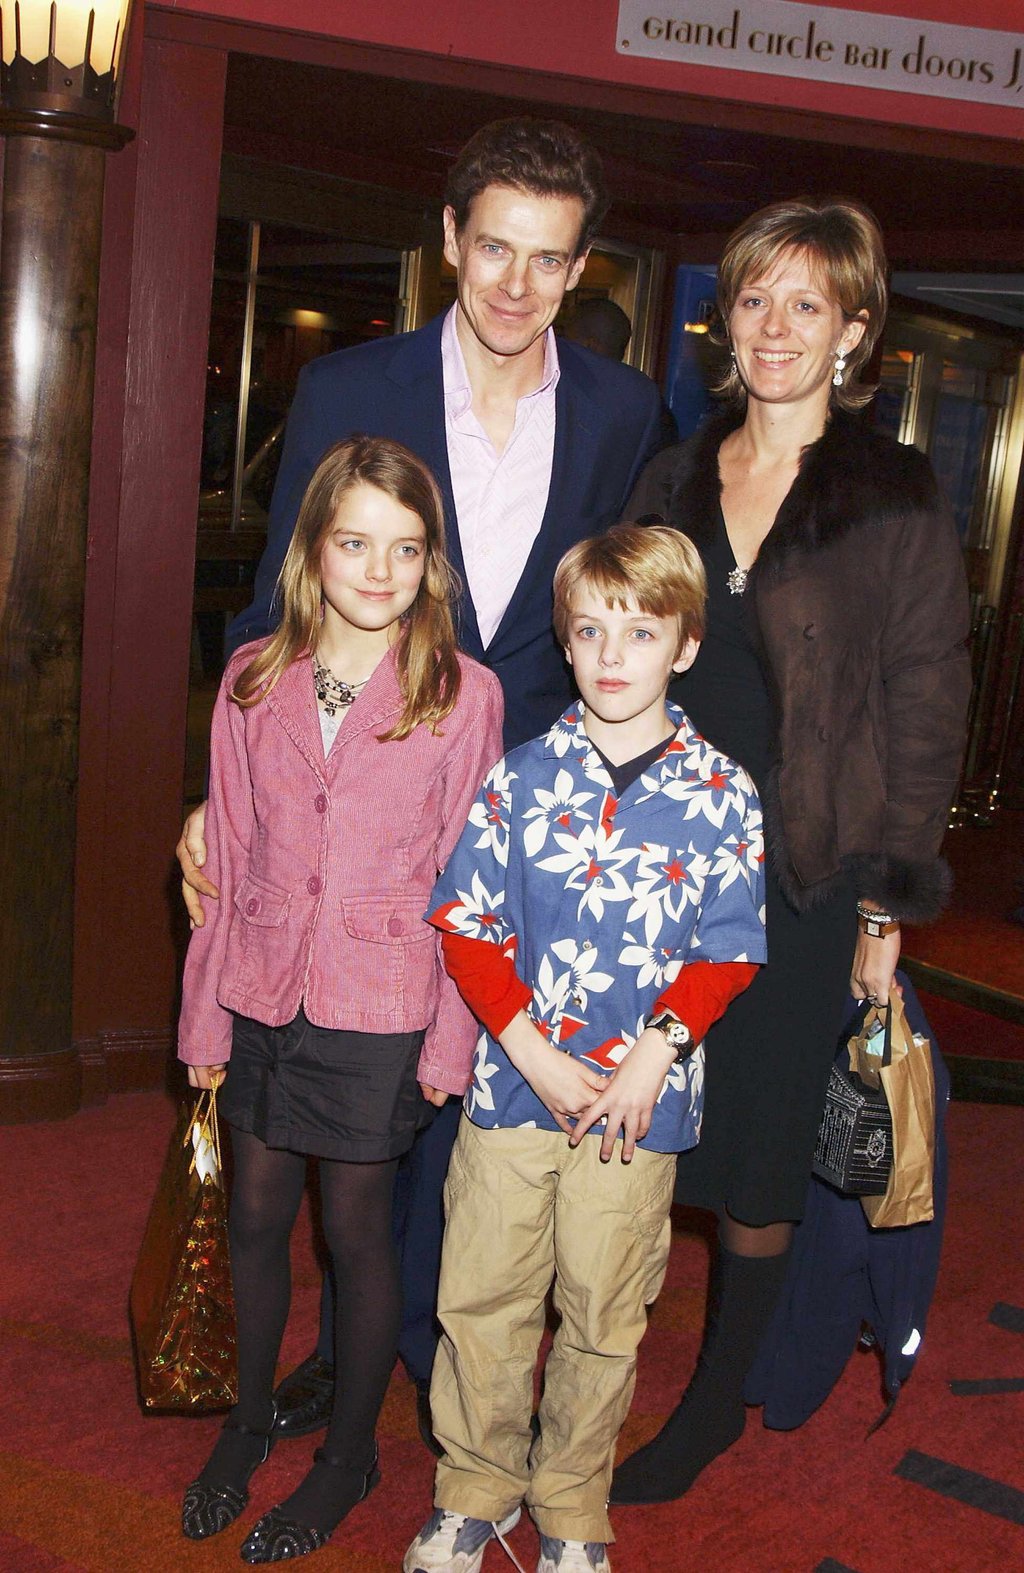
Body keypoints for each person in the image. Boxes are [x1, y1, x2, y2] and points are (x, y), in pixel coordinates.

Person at [176, 117, 665, 1446]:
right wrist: (225, 791)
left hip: (532, 829)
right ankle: (347, 1358)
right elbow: (278, 607)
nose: (516, 282)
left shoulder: (625, 415)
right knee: (349, 1103)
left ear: (579, 271)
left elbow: (626, 623)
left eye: (547, 258)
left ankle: (419, 1354)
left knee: (469, 1110)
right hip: (360, 814)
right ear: (451, 243)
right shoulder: (350, 389)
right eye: (494, 247)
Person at [608, 197, 972, 1508]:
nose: (773, 326)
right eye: (753, 298)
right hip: (657, 854)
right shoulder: (672, 471)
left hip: (803, 873)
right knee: (636, 1116)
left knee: (759, 1146)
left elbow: (928, 701)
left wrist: (890, 903)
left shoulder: (898, 492)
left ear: (855, 329)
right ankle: (608, 1349)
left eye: (806, 304)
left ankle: (714, 1400)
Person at [403, 524, 766, 1573]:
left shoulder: (721, 793)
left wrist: (653, 1053)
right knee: (482, 1293)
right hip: (513, 1090)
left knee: (605, 1307)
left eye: (640, 631)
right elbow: (468, 923)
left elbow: (729, 948)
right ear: (563, 643)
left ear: (684, 647)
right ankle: (473, 1486)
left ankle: (568, 1500)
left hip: (638, 1103)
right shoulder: (521, 778)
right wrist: (528, 1047)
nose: (613, 654)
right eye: (591, 630)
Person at [177, 436, 503, 1563]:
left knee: (355, 1232)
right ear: (313, 549)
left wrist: (449, 1045)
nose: (379, 569)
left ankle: (348, 1455)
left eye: (405, 548)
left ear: (431, 562)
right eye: (355, 542)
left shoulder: (464, 693)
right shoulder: (253, 674)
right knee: (256, 1215)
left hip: (382, 1001)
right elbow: (225, 852)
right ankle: (248, 1420)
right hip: (264, 985)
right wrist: (203, 1018)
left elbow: (471, 882)